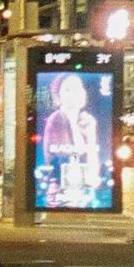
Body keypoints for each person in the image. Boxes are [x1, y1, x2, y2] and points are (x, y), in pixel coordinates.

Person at [41, 73, 101, 203]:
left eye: (78, 87)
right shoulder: (56, 119)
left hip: (77, 195)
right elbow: (71, 163)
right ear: (58, 97)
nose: (76, 93)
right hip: (63, 196)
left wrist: (91, 135)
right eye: (68, 89)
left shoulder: (83, 122)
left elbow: (93, 174)